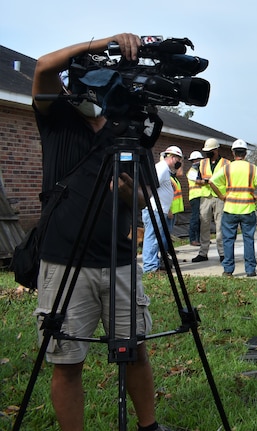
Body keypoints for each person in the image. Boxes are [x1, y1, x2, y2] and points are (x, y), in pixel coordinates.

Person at [31, 33, 171, 430]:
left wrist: (133, 196)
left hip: (119, 259)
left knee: (136, 352)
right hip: (63, 259)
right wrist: (101, 42)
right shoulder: (56, 121)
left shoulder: (129, 131)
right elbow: (43, 67)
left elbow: (145, 195)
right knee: (67, 359)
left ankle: (149, 426)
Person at [210, 139, 257, 277]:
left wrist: (221, 196)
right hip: (248, 209)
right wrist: (256, 197)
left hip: (230, 209)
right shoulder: (252, 168)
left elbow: (212, 181)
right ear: (246, 153)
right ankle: (250, 270)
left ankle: (228, 270)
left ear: (233, 152)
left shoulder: (227, 168)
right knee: (248, 239)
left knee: (228, 240)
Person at [141, 146, 183, 273]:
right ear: (172, 157)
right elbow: (150, 186)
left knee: (155, 238)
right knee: (152, 238)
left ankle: (153, 265)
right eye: (178, 159)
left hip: (159, 210)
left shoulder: (165, 170)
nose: (179, 163)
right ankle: (150, 268)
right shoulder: (161, 168)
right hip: (155, 210)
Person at [191, 138, 228, 263]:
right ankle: (203, 252)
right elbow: (193, 178)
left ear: (216, 150)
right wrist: (205, 182)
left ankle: (222, 253)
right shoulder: (201, 163)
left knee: (220, 226)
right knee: (204, 225)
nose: (208, 153)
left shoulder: (226, 163)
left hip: (220, 197)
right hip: (206, 197)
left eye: (210, 151)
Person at [186, 151, 205, 246]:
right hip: (195, 197)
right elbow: (200, 182)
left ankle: (200, 239)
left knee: (201, 219)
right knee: (195, 218)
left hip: (201, 196)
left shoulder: (199, 171)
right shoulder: (192, 172)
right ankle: (193, 239)